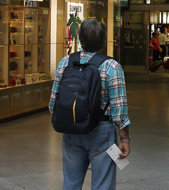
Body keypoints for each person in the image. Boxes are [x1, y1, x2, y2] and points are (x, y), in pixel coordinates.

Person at [49, 18, 130, 190]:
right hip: (101, 131)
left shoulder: (66, 62)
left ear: (80, 39)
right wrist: (125, 139)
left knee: (70, 182)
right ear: (103, 41)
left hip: (71, 130)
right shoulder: (112, 66)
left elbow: (53, 104)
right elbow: (119, 112)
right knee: (102, 184)